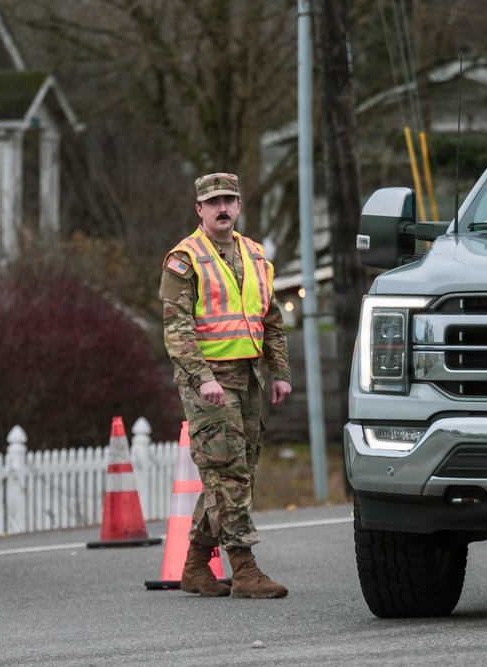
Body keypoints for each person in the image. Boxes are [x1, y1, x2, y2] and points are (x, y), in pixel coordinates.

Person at [159, 172, 293, 599]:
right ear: (199, 210)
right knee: (228, 474)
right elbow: (176, 330)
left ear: (238, 205)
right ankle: (245, 569)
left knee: (236, 473)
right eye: (213, 201)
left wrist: (281, 372)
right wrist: (202, 379)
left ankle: (196, 567)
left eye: (229, 200)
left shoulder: (255, 254)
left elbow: (270, 319)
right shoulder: (184, 258)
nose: (222, 207)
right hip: (208, 382)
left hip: (249, 378)